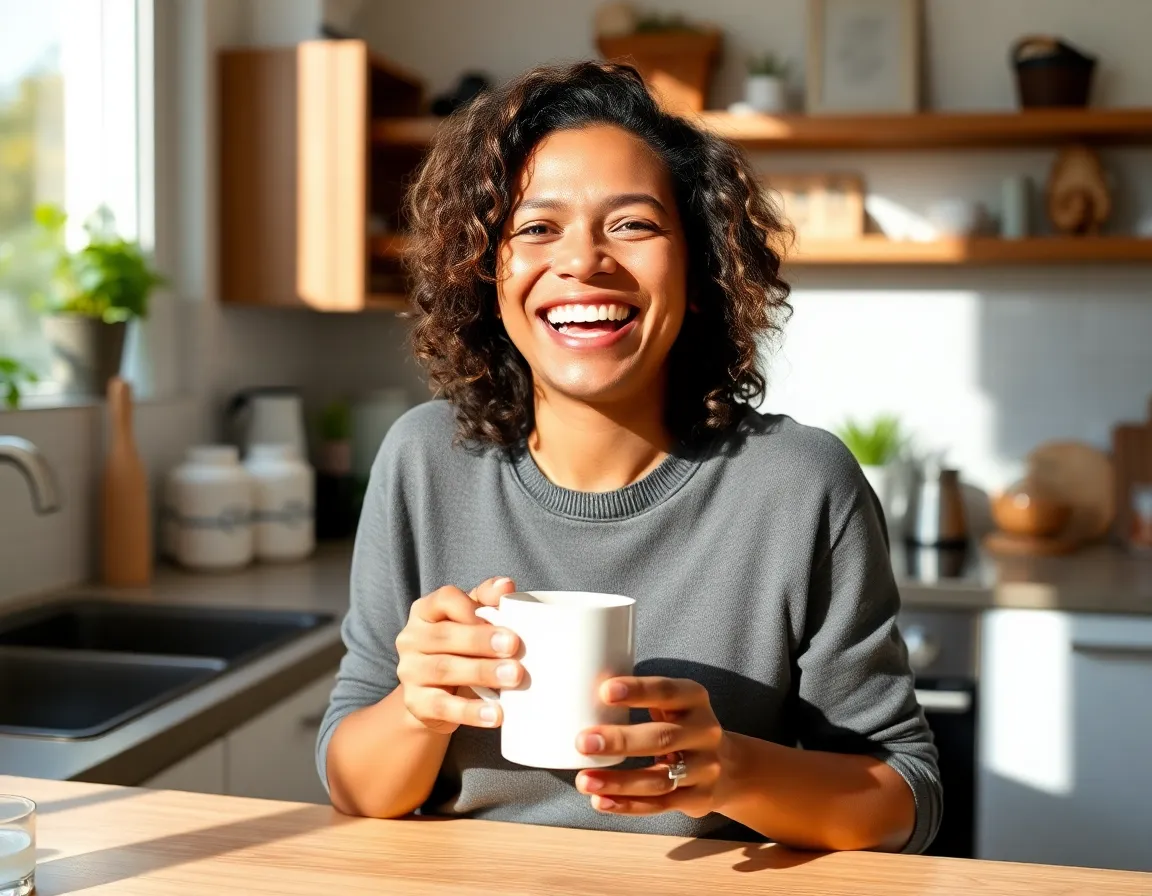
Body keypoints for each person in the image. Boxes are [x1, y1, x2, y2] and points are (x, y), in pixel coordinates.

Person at [317, 61, 941, 854]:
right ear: (485, 270)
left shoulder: (800, 484)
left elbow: (904, 796)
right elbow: (352, 784)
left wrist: (732, 771)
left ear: (701, 265)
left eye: (633, 225)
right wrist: (417, 704)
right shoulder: (423, 460)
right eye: (537, 228)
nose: (583, 262)